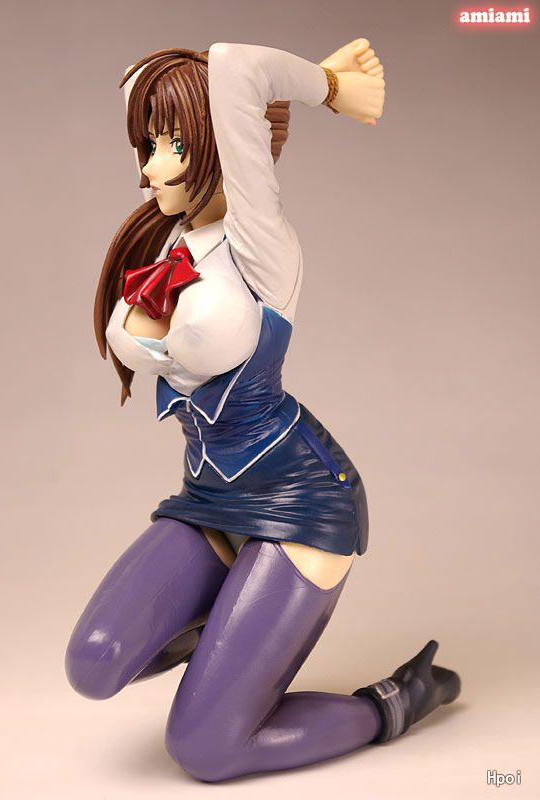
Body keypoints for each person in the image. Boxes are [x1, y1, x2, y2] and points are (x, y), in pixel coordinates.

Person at [65, 40, 461, 782]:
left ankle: (393, 703)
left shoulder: (261, 245)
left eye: (174, 145)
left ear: (222, 142)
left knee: (205, 749)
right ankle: (233, 637)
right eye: (148, 144)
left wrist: (330, 86)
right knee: (92, 664)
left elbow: (235, 67)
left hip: (301, 499)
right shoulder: (176, 239)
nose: (150, 168)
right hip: (209, 496)